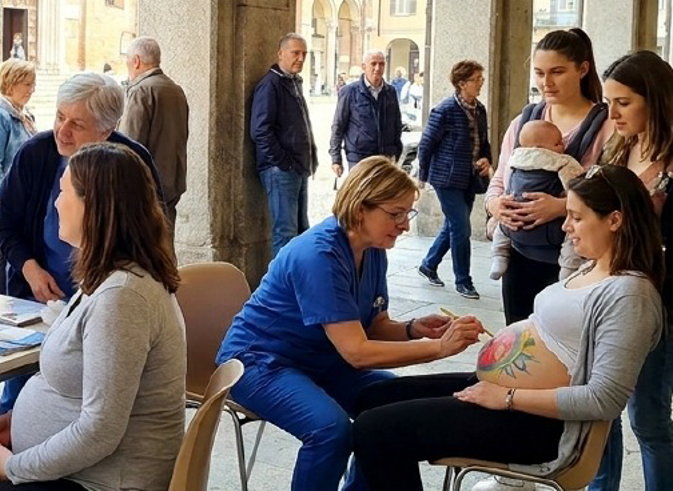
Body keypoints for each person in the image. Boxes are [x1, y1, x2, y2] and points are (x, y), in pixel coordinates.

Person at [350, 164, 666, 491]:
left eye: (576, 217)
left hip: (538, 425)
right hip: (506, 401)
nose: (566, 226)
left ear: (614, 220)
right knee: (371, 399)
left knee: (375, 431)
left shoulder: (631, 295)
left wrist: (507, 397)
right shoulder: (591, 267)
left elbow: (604, 399)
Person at [0, 142, 185, 491]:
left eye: (64, 192)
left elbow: (101, 430)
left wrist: (15, 467)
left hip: (101, 481)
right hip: (80, 467)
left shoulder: (123, 297)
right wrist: (17, 422)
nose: (56, 203)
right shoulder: (108, 276)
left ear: (93, 207)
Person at [217, 157, 483, 491]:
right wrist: (439, 349)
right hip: (260, 362)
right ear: (360, 209)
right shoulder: (319, 255)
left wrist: (413, 328)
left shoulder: (372, 248)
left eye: (407, 213)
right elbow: (357, 353)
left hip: (323, 359)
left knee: (392, 411)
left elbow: (374, 325)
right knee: (331, 431)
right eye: (396, 213)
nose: (404, 224)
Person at [0, 72, 162, 412]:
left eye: (77, 124)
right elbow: (5, 223)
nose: (62, 131)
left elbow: (151, 236)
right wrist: (30, 269)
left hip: (101, 305)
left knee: (85, 396)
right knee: (20, 396)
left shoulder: (130, 164)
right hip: (39, 303)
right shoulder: (36, 154)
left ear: (106, 130)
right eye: (59, 117)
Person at [587, 50, 673, 491]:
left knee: (649, 416)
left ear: (655, 100)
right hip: (607, 292)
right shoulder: (618, 146)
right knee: (600, 408)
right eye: (608, 102)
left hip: (659, 301)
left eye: (623, 102)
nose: (613, 113)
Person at [485, 28, 612, 324]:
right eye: (539, 73)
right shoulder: (524, 122)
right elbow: (500, 178)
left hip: (574, 257)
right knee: (519, 336)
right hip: (519, 255)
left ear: (582, 69)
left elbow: (613, 193)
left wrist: (559, 206)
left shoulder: (606, 127)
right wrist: (495, 206)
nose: (546, 83)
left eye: (557, 72)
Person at [416, 60, 493, 300]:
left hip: (470, 177)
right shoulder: (445, 110)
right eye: (476, 79)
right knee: (461, 227)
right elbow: (426, 145)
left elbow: (484, 142)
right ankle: (463, 281)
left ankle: (429, 264)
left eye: (481, 79)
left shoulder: (480, 109)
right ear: (461, 83)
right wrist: (422, 177)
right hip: (446, 178)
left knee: (453, 225)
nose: (480, 83)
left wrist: (486, 160)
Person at [485, 120, 585, 282]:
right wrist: (494, 205)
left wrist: (502, 203)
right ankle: (568, 269)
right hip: (549, 235)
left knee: (502, 231)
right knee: (571, 236)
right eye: (558, 143)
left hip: (514, 222)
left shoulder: (515, 156)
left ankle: (499, 256)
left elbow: (504, 177)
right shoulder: (562, 160)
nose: (563, 145)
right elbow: (578, 185)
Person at [250, 34, 319, 255]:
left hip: (298, 167)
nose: (301, 58)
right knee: (285, 233)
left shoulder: (293, 82)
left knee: (301, 231)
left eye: (304, 54)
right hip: (281, 170)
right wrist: (283, 162)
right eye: (295, 53)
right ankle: (281, 278)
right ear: (281, 54)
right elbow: (260, 130)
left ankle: (297, 275)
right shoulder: (271, 85)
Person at [117, 36, 188, 229]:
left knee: (144, 241)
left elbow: (128, 143)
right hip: (172, 182)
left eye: (127, 61)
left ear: (136, 61)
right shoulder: (175, 90)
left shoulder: (141, 91)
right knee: (165, 240)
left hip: (146, 186)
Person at [0, 58, 37, 293]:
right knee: (1, 249)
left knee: (12, 247)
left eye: (33, 84)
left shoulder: (24, 114)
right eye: (27, 84)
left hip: (20, 195)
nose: (32, 90)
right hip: (1, 196)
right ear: (11, 84)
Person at [330, 49, 402, 178]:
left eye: (381, 64)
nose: (377, 68)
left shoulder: (390, 92)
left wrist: (396, 151)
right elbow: (338, 126)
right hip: (359, 159)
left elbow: (397, 123)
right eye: (373, 64)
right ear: (364, 66)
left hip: (385, 159)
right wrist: (336, 159)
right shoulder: (349, 92)